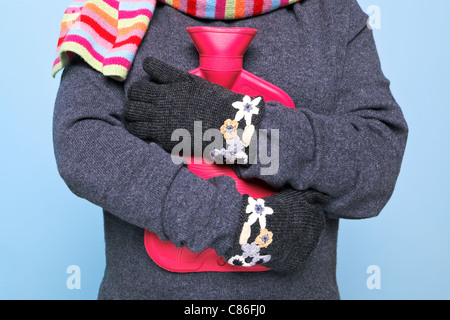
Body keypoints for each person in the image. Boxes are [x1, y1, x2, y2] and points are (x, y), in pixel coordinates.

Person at [52, 0, 408, 300]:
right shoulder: (113, 11)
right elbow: (81, 142)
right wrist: (241, 227)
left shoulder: (334, 14)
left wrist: (232, 126)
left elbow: (377, 162)